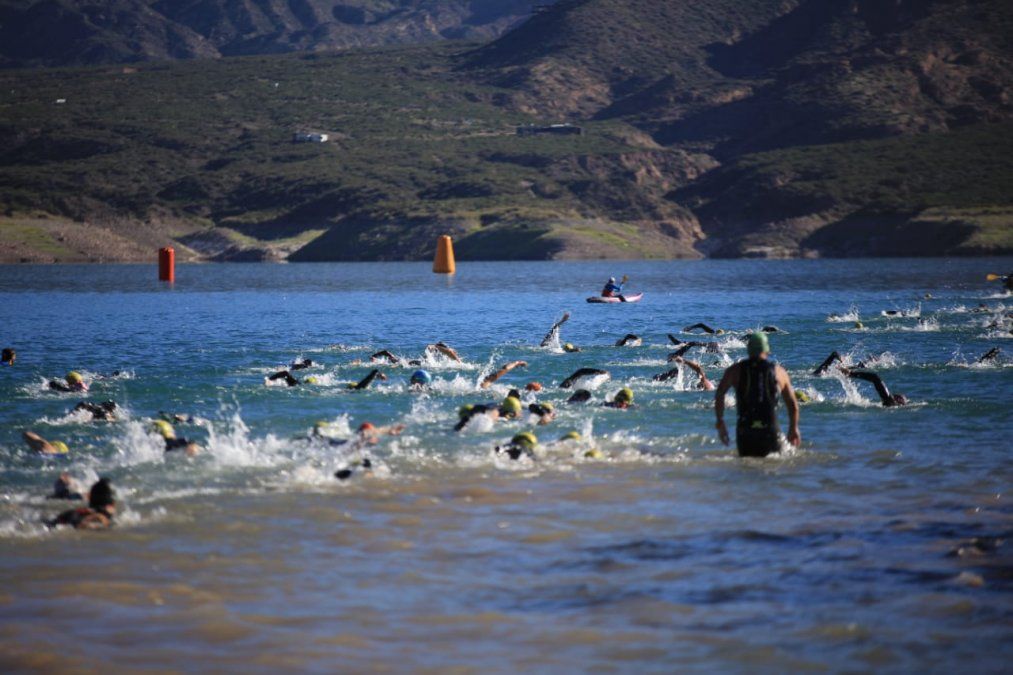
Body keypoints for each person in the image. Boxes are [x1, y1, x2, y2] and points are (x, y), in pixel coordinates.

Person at [714, 332, 801, 457]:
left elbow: (719, 394)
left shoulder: (735, 370)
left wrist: (720, 422)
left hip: (745, 431)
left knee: (746, 470)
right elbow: (792, 404)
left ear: (749, 349)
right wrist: (793, 428)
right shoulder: (779, 372)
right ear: (766, 350)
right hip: (770, 430)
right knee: (772, 469)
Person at [812, 352, 908, 406]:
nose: (895, 394)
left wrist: (851, 374)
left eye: (899, 396)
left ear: (899, 401)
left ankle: (838, 357)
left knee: (820, 373)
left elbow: (876, 378)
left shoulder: (890, 401)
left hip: (839, 371)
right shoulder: (888, 403)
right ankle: (863, 363)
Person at [47, 478, 115, 530]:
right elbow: (98, 518)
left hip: (67, 516)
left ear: (89, 497)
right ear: (112, 504)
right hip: (72, 518)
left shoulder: (93, 511)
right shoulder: (103, 515)